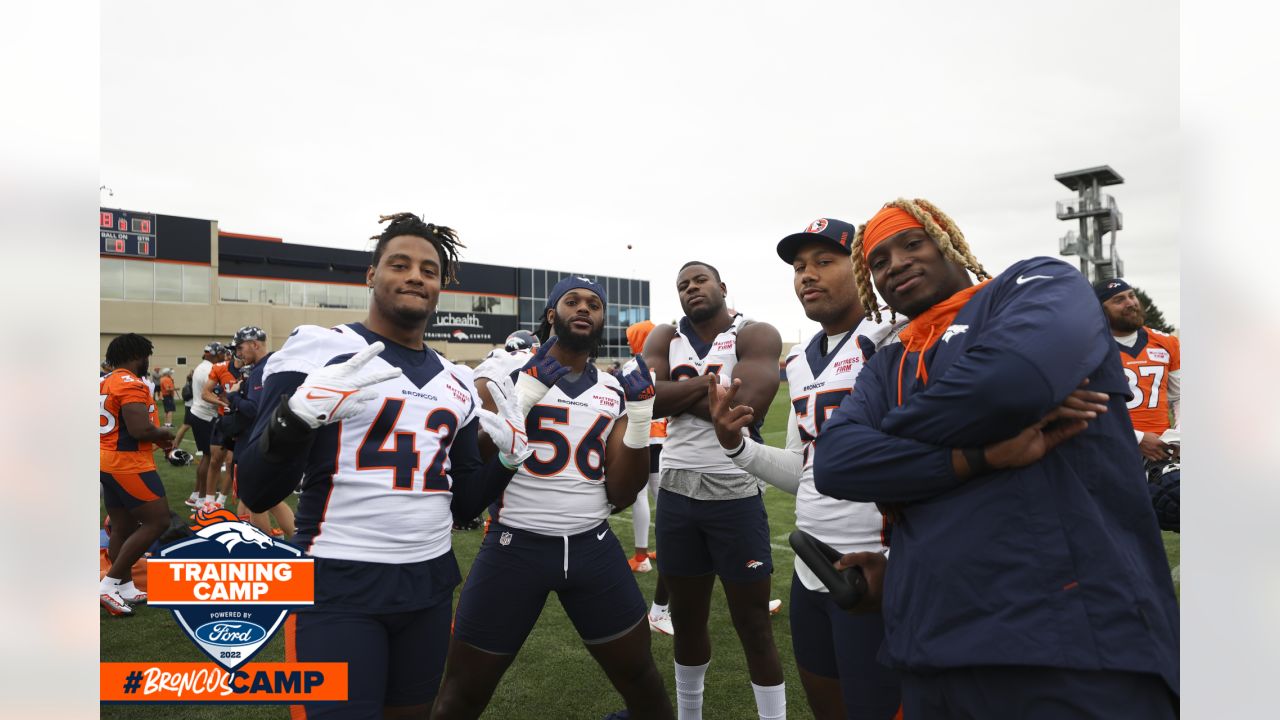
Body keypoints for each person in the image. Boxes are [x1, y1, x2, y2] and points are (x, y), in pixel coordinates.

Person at [812, 198, 1179, 718]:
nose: (895, 263)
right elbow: (837, 463)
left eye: (911, 243)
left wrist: (890, 446)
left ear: (948, 243)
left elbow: (1010, 383)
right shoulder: (889, 359)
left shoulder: (1036, 284)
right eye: (878, 261)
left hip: (1070, 641)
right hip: (930, 642)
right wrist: (981, 455)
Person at [236, 212, 529, 719]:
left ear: (440, 288)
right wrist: (296, 417)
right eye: (400, 264)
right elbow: (257, 489)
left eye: (429, 270)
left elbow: (461, 505)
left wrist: (506, 460)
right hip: (336, 581)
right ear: (371, 274)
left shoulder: (454, 379)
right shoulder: (320, 348)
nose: (416, 275)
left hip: (429, 583)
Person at [434, 276, 673, 720]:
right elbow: (470, 471)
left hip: (592, 546)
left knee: (644, 682)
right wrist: (523, 399)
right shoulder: (504, 375)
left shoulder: (613, 389)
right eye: (571, 301)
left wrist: (640, 418)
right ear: (551, 315)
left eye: (594, 304)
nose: (584, 308)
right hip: (514, 546)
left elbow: (621, 492)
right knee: (462, 694)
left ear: (603, 320)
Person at [708, 218, 904, 719]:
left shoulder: (894, 338)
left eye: (824, 261)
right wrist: (737, 447)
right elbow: (804, 470)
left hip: (879, 562)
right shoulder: (798, 360)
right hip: (810, 564)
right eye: (798, 267)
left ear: (861, 267)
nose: (807, 275)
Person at [643, 261, 787, 720]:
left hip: (735, 492)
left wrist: (678, 392)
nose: (691, 289)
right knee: (687, 622)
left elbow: (748, 409)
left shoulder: (755, 332)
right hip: (677, 491)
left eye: (699, 280)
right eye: (682, 285)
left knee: (753, 624)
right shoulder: (664, 336)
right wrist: (710, 387)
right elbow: (645, 400)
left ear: (722, 286)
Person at [1095, 278, 1182, 532]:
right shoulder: (1089, 348)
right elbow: (1086, 406)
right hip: (1109, 448)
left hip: (1161, 452)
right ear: (1101, 310)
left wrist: (1177, 438)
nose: (1130, 303)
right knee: (1111, 527)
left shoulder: (1166, 343)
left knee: (1173, 506)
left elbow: (1181, 397)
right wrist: (1138, 438)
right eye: (1118, 300)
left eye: (1131, 296)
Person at [99, 333, 175, 616]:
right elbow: (139, 430)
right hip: (128, 464)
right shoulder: (130, 383)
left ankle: (125, 586)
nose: (147, 362)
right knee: (158, 521)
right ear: (137, 356)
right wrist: (164, 434)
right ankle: (108, 585)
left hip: (106, 461)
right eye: (146, 356)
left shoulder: (105, 380)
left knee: (123, 526)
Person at [221, 325, 295, 538]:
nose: (238, 353)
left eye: (240, 347)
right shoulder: (267, 366)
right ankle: (299, 545)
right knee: (259, 500)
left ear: (255, 344)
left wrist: (234, 397)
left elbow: (254, 410)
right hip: (263, 440)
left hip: (257, 443)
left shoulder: (263, 369)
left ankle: (268, 549)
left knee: (257, 500)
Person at [623, 320, 673, 633]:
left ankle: (642, 555)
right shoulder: (666, 361)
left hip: (644, 437)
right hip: (665, 437)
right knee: (662, 495)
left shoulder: (634, 364)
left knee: (642, 494)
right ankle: (666, 549)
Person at [202, 348, 245, 508]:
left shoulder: (255, 369)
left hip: (241, 420)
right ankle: (209, 500)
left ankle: (221, 501)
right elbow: (205, 393)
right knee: (214, 460)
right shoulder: (221, 368)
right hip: (224, 419)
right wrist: (222, 403)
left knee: (230, 462)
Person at [185, 342, 224, 508]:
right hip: (206, 415)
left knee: (206, 457)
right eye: (222, 353)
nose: (225, 356)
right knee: (210, 458)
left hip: (198, 413)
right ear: (214, 354)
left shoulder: (201, 366)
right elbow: (216, 394)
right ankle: (201, 499)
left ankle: (196, 495)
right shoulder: (210, 369)